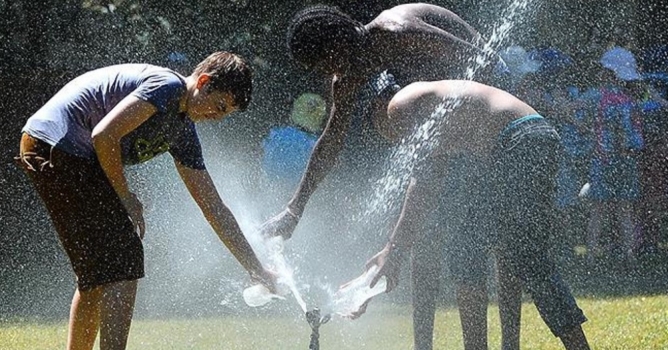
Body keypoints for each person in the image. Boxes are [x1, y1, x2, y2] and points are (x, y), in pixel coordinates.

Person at [260, 4, 504, 349]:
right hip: (446, 128)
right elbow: (330, 142)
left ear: (338, 43)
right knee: (423, 235)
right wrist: (294, 209)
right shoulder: (350, 73)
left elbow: (483, 61)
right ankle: (423, 345)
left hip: (493, 102)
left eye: (323, 62)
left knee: (474, 245)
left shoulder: (398, 32)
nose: (326, 72)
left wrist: (459, 130)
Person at [15, 51, 277, 350]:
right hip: (56, 144)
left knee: (97, 276)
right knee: (125, 259)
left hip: (63, 151)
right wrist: (125, 197)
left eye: (225, 114)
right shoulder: (167, 87)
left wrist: (255, 268)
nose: (216, 117)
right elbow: (104, 135)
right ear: (203, 82)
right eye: (219, 105)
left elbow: (213, 207)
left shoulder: (183, 131)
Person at [351, 80, 591, 350]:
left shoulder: (399, 106)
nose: (389, 138)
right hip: (525, 140)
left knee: (529, 260)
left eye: (377, 129)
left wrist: (393, 250)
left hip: (518, 141)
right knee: (467, 250)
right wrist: (395, 250)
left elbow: (425, 181)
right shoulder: (426, 101)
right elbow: (435, 176)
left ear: (376, 110)